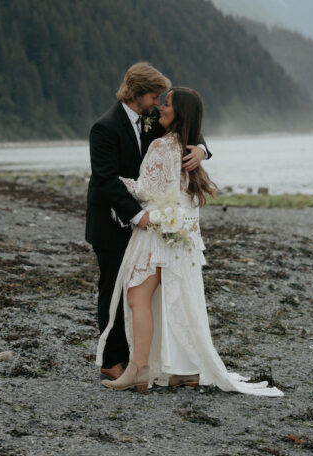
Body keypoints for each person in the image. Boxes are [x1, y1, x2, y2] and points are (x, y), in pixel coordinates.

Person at [96, 86, 284, 396]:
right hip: (178, 234)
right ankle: (181, 371)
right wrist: (200, 149)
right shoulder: (184, 147)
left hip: (158, 233)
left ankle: (138, 369)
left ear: (178, 112)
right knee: (170, 298)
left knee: (136, 296)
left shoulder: (163, 145)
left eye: (166, 103)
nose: (159, 109)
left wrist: (114, 179)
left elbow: (146, 191)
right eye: (159, 101)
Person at [86, 63, 208, 381]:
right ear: (138, 94)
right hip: (112, 223)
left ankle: (147, 361)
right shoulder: (105, 127)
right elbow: (105, 180)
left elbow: (186, 125)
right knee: (113, 287)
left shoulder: (151, 120)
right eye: (155, 97)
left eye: (160, 100)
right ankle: (113, 361)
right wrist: (139, 216)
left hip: (149, 223)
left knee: (141, 292)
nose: (157, 103)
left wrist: (204, 150)